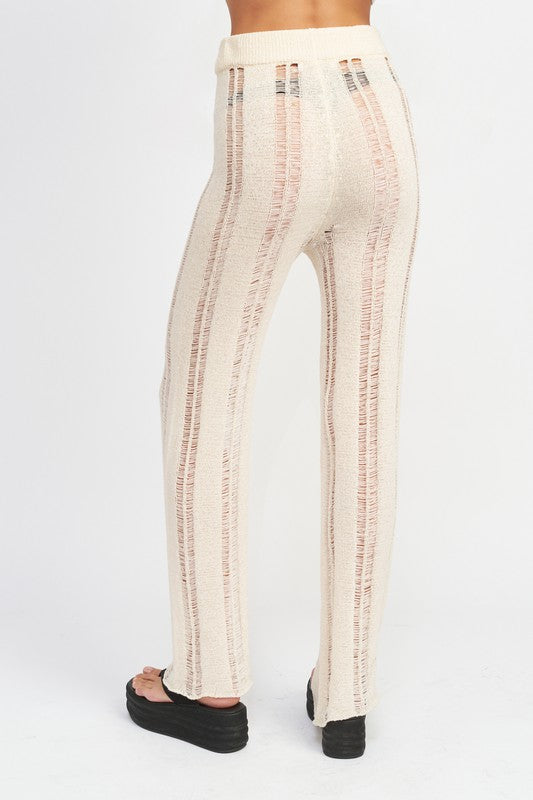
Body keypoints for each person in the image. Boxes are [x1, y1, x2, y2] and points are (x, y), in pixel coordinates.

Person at [126, 0, 420, 758]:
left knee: (202, 397)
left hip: (269, 108)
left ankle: (208, 684)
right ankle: (348, 696)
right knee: (365, 409)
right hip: (376, 103)